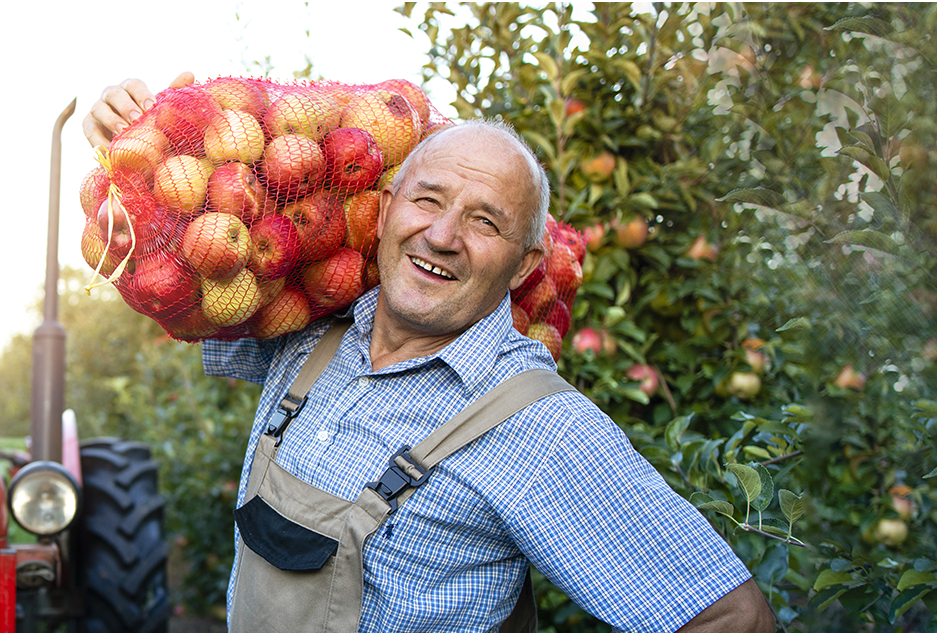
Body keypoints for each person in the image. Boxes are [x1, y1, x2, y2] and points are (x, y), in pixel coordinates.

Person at [84, 76, 775, 632]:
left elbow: (729, 615)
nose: (442, 235)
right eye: (428, 200)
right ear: (384, 214)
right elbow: (179, 274)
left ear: (525, 262)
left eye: (485, 221)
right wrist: (131, 138)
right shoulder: (308, 334)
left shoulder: (536, 427)